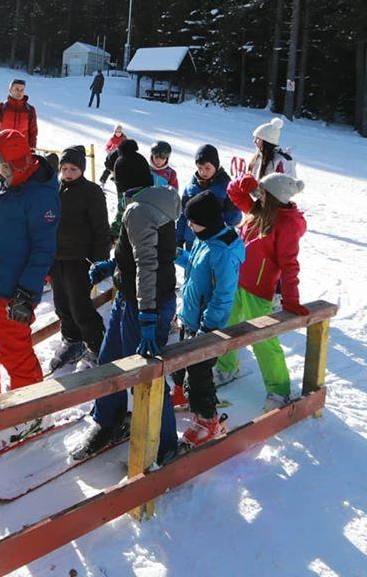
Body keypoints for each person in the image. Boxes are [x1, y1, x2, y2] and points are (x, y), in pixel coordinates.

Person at [72, 144, 180, 463]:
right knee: (110, 360)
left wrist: (147, 317)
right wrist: (113, 267)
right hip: (129, 298)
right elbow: (135, 253)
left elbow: (148, 264)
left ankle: (165, 444)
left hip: (146, 303)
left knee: (147, 373)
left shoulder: (137, 209)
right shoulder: (150, 200)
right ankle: (109, 419)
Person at [0, 129, 58, 417]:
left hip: (13, 292)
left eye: (5, 166)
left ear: (21, 163)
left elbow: (43, 250)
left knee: (14, 353)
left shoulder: (40, 196)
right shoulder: (2, 185)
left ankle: (29, 412)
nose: (0, 171)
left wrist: (26, 293)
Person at [215, 173, 308, 410]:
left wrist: (291, 299)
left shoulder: (286, 225)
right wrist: (245, 181)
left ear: (275, 197)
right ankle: (227, 368)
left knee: (263, 340)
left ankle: (279, 391)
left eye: (263, 192)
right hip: (237, 281)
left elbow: (289, 265)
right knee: (228, 327)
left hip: (259, 291)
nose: (258, 195)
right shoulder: (259, 210)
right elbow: (234, 193)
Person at [170, 191, 245, 445]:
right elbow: (196, 266)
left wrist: (208, 326)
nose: (189, 226)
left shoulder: (222, 251)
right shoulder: (206, 237)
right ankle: (180, 393)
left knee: (199, 373)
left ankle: (209, 420)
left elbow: (224, 294)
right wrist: (178, 255)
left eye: (194, 221)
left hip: (207, 324)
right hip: (191, 315)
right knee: (180, 360)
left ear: (209, 221)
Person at [48, 146, 110, 371]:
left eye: (73, 169)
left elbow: (101, 228)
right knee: (61, 303)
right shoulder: (54, 189)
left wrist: (100, 261)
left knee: (79, 305)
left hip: (79, 258)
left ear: (82, 169)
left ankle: (96, 345)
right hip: (57, 257)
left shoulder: (91, 192)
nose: (68, 173)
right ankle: (72, 340)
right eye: (64, 168)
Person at [176, 144, 241, 251]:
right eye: (200, 168)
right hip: (191, 240)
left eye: (207, 168)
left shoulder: (225, 187)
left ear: (216, 165)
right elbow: (183, 216)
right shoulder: (191, 188)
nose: (203, 172)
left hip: (214, 242)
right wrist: (178, 239)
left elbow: (234, 218)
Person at [0, 79, 38, 149]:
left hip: (21, 149)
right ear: (10, 90)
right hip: (3, 148)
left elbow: (33, 133)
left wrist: (32, 150)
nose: (19, 92)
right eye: (16, 89)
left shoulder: (30, 110)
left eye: (22, 90)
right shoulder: (2, 107)